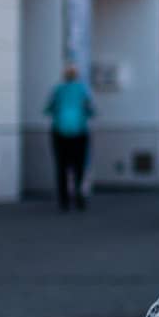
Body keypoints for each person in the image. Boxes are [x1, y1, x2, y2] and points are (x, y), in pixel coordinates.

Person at [45, 63, 95, 210]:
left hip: (59, 132)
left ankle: (64, 200)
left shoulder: (58, 90)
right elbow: (91, 110)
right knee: (79, 166)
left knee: (61, 167)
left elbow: (48, 109)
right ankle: (79, 196)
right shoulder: (83, 89)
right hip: (80, 132)